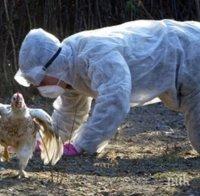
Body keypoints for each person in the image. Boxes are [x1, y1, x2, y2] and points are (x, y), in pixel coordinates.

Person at [14, 19, 200, 156]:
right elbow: (69, 112)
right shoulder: (69, 70)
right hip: (178, 64)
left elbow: (115, 97)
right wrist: (47, 141)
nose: (38, 87)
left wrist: (82, 145)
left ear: (51, 67)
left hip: (189, 51)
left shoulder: (92, 54)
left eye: (39, 80)